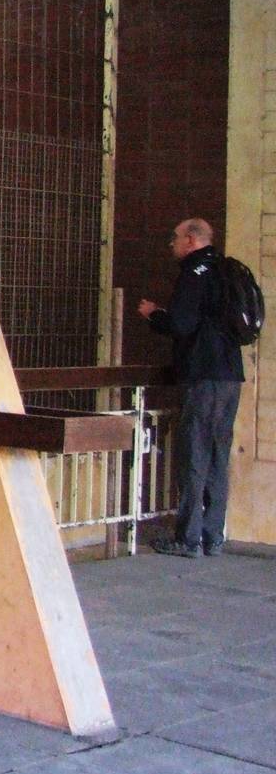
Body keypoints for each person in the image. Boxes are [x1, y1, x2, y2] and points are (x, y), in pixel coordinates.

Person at [138, 217, 245, 558]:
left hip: (203, 376)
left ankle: (188, 539)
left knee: (194, 454)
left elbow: (183, 324)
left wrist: (155, 315)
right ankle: (214, 536)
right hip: (230, 377)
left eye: (175, 237)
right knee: (217, 453)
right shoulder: (226, 270)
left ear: (191, 240)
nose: (171, 244)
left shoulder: (194, 273)